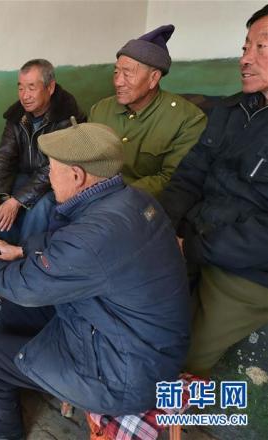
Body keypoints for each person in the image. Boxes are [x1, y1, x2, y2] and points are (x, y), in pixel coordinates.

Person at [0, 119, 190, 439]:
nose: (50, 178)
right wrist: (22, 250)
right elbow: (68, 248)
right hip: (132, 338)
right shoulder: (134, 200)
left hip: (121, 374)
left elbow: (29, 286)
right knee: (16, 310)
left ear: (77, 175)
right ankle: (4, 375)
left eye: (53, 169)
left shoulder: (94, 234)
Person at [158, 5, 268, 378]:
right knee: (130, 307)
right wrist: (163, 225)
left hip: (248, 269)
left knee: (177, 356)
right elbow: (189, 175)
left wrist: (192, 247)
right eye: (245, 47)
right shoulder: (231, 110)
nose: (245, 59)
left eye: (261, 47)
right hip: (193, 234)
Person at [0, 59, 85, 244]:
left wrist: (18, 200)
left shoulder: (67, 116)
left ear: (50, 87)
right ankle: (6, 249)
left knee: (41, 207)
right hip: (28, 177)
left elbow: (54, 167)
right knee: (3, 198)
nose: (25, 96)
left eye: (31, 88)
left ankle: (26, 254)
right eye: (20, 88)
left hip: (60, 181)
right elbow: (5, 156)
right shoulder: (17, 116)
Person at [89, 24, 206, 198]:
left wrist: (116, 197)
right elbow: (86, 160)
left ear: (153, 78)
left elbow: (171, 178)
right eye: (116, 72)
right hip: (93, 194)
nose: (118, 82)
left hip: (138, 201)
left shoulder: (188, 119)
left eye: (127, 73)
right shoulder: (100, 109)